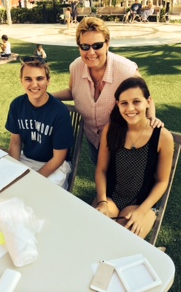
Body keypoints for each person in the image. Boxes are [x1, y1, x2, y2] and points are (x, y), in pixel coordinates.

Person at [52, 17, 163, 165]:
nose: (91, 52)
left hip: (122, 138)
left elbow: (146, 98)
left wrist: (151, 118)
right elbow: (74, 92)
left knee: (121, 179)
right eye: (85, 46)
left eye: (97, 45)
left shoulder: (126, 70)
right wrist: (47, 96)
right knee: (100, 170)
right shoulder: (75, 67)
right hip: (93, 138)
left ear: (107, 44)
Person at [94, 77, 174, 239]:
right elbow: (101, 169)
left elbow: (162, 181)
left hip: (141, 202)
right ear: (118, 105)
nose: (130, 108)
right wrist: (102, 201)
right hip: (110, 197)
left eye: (136, 101)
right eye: (124, 103)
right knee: (97, 232)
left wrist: (141, 211)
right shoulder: (112, 129)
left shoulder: (162, 137)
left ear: (148, 102)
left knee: (124, 240)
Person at [5, 58, 74, 188]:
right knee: (5, 185)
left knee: (36, 193)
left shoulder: (60, 112)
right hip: (26, 158)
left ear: (48, 81)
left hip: (54, 165)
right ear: (21, 81)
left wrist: (34, 179)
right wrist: (13, 170)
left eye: (40, 78)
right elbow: (15, 142)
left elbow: (58, 158)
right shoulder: (17, 105)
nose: (34, 84)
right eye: (28, 79)